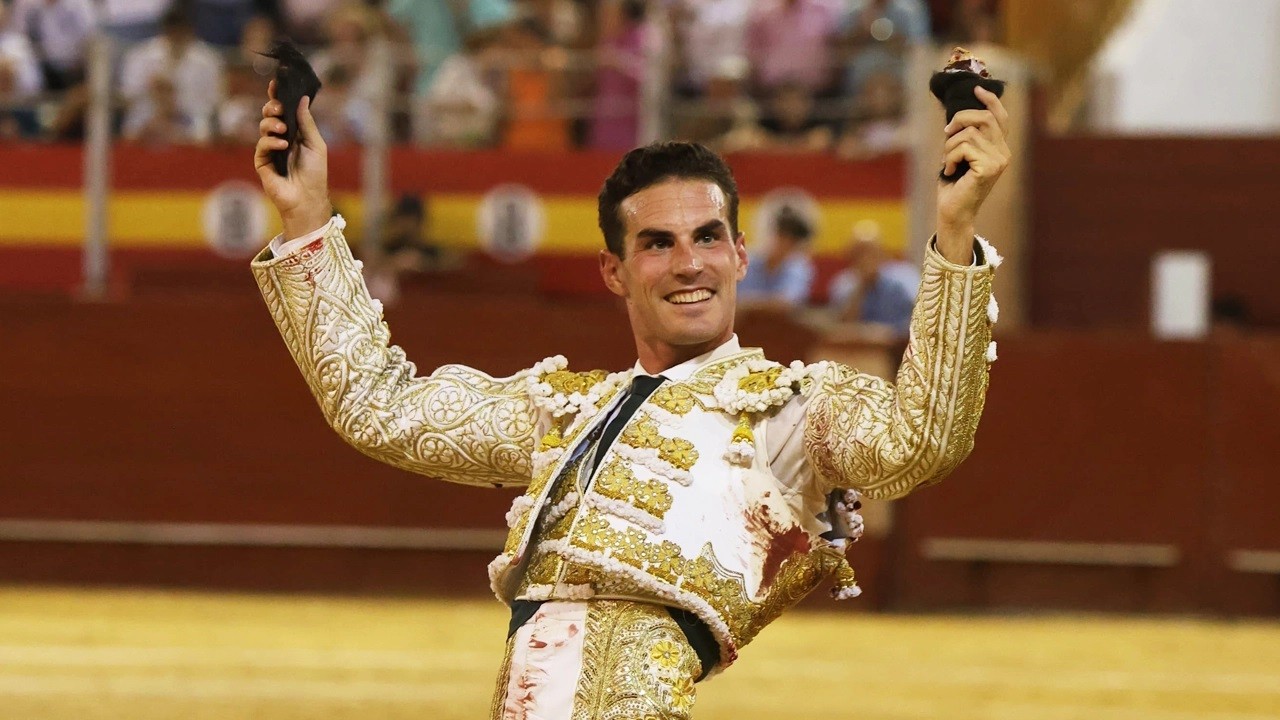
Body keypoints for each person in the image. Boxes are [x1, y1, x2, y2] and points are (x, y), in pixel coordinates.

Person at [250, 76, 1010, 717]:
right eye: (658, 244)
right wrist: (306, 217)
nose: (690, 264)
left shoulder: (787, 412)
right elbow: (377, 406)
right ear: (614, 271)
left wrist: (954, 232)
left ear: (741, 255)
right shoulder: (564, 413)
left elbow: (925, 438)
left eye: (709, 237)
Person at [827, 220, 920, 338]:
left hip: (902, 346)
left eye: (870, 252)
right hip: (861, 349)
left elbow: (922, 314)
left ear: (882, 252)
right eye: (859, 253)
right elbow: (840, 326)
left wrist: (890, 332)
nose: (865, 259)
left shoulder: (904, 276)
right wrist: (861, 287)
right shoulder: (843, 283)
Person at [737, 206, 817, 309]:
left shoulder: (799, 267)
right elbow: (733, 298)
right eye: (781, 235)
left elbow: (787, 303)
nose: (783, 243)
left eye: (790, 240)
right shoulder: (748, 262)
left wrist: (749, 304)